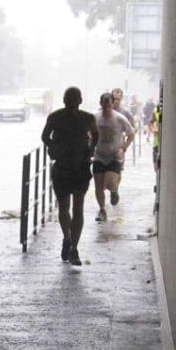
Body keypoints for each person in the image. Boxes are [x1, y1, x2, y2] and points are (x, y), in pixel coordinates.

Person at [40, 86, 99, 265]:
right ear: (65, 100)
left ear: (79, 100)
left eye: (74, 97)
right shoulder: (59, 117)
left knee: (74, 207)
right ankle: (69, 240)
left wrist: (89, 149)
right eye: (70, 97)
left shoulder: (86, 118)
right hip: (66, 167)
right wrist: (56, 148)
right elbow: (45, 137)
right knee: (67, 207)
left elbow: (95, 136)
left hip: (76, 167)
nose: (72, 101)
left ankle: (73, 245)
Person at [92, 92, 136, 221]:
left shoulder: (119, 118)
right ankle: (102, 210)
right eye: (104, 105)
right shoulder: (95, 118)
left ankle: (114, 191)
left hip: (114, 156)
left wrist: (124, 148)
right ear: (101, 104)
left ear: (112, 104)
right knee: (98, 186)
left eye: (109, 105)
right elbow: (89, 134)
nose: (106, 108)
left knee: (110, 183)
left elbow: (132, 133)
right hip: (99, 155)